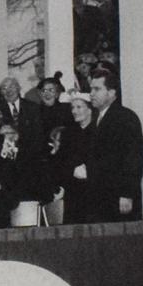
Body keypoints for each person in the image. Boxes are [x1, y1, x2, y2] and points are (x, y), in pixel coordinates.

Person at [87, 71, 143, 222]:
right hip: (100, 197)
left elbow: (133, 158)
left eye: (97, 89)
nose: (91, 94)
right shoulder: (96, 119)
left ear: (112, 92)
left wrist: (127, 194)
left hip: (118, 198)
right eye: (91, 89)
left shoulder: (126, 118)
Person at [54, 92, 96, 224]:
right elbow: (60, 161)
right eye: (72, 108)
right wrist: (72, 170)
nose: (74, 111)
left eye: (79, 107)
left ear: (89, 110)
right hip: (73, 193)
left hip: (94, 191)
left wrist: (89, 170)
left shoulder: (99, 131)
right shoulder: (68, 134)